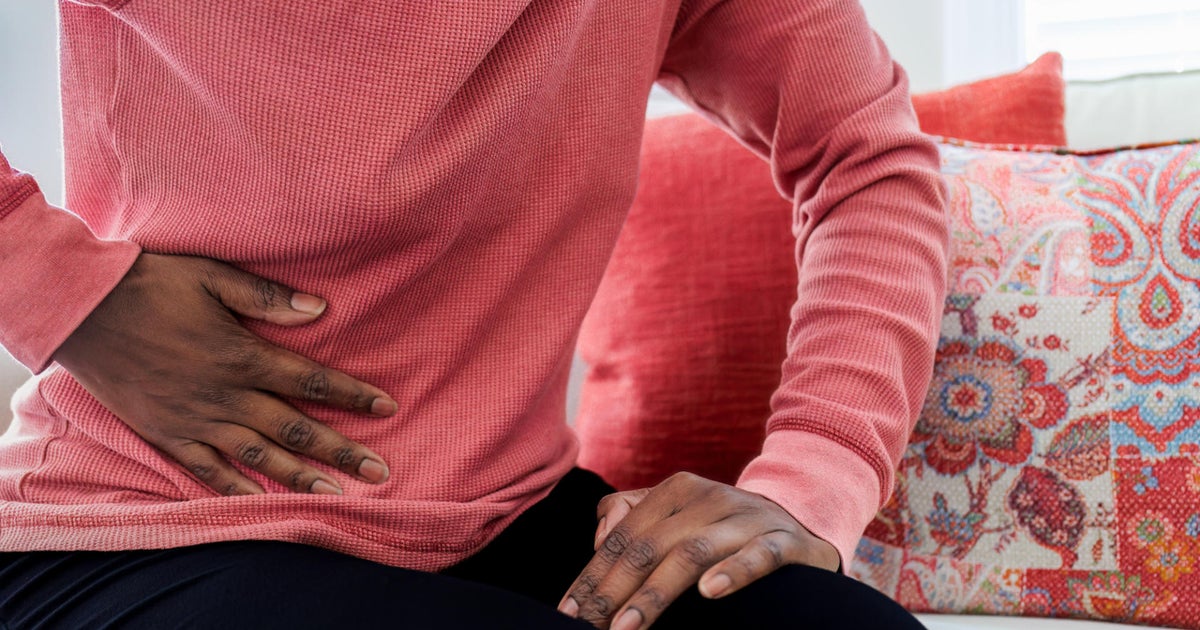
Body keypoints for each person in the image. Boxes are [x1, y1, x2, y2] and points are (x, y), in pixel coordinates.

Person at [0, 0, 947, 627]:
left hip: (507, 516)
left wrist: (812, 479)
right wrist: (59, 287)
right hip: (143, 526)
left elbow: (865, 157)